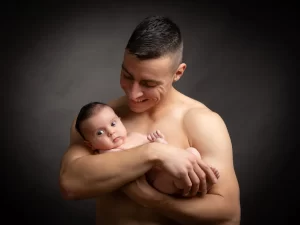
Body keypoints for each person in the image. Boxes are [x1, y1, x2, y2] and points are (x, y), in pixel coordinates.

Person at [59, 15, 241, 225]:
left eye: (148, 84)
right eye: (127, 76)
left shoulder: (202, 122)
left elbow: (227, 213)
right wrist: (155, 152)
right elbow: (70, 184)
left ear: (178, 73)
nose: (133, 94)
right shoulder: (98, 121)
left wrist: (154, 200)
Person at [74, 101, 220, 195]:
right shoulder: (107, 154)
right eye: (100, 133)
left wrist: (158, 140)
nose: (111, 132)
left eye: (113, 124)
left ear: (120, 120)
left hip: (168, 168)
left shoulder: (135, 136)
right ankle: (198, 184)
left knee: (192, 152)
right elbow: (121, 168)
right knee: (174, 178)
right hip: (157, 182)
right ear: (90, 144)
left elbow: (162, 151)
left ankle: (201, 179)